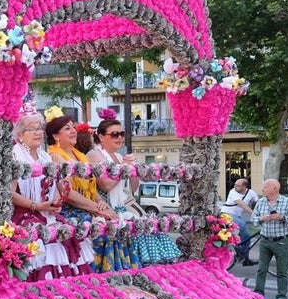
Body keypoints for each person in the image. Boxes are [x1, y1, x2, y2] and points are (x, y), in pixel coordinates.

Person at [45, 113, 134, 272]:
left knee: (116, 221)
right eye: (67, 128)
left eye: (73, 127)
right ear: (55, 135)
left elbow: (92, 186)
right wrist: (96, 208)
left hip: (87, 206)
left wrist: (101, 203)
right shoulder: (55, 156)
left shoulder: (79, 155)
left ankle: (118, 273)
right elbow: (68, 193)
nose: (73, 131)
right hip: (70, 209)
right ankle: (99, 273)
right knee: (100, 225)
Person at [11, 111, 93, 279]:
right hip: (24, 214)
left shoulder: (45, 156)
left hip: (46, 211)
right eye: (32, 129)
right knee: (42, 238)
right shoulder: (14, 156)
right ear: (20, 134)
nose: (38, 132)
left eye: (40, 128)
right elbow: (9, 193)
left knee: (69, 232)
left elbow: (57, 186)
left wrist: (57, 200)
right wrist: (36, 206)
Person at [88, 117, 181, 266]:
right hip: (106, 209)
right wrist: (124, 168)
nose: (119, 138)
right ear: (101, 137)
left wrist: (133, 170)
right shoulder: (95, 155)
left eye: (121, 134)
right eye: (114, 134)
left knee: (151, 229)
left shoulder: (119, 156)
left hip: (125, 205)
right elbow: (105, 185)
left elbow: (133, 188)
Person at [251, 178, 288, 299]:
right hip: (265, 240)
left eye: (265, 187)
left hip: (281, 241)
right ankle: (258, 295)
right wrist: (261, 219)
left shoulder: (287, 202)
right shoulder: (261, 202)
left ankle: (282, 297)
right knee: (261, 269)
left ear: (274, 188)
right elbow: (253, 219)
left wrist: (282, 217)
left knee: (282, 271)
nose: (262, 189)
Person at [221, 177, 258, 266]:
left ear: (244, 187)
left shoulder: (251, 193)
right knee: (242, 224)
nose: (235, 186)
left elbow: (258, 202)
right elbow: (241, 204)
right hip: (226, 214)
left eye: (237, 185)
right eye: (235, 185)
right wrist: (253, 213)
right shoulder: (233, 192)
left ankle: (245, 257)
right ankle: (241, 252)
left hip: (236, 216)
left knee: (247, 237)